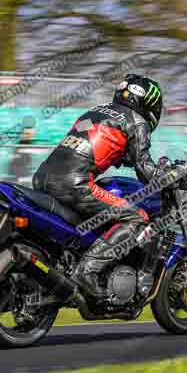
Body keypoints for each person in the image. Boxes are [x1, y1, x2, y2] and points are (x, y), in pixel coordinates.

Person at [33, 74, 164, 300]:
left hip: (42, 178)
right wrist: (167, 176)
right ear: (150, 104)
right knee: (137, 217)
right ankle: (88, 270)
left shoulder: (94, 112)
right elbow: (144, 169)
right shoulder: (136, 121)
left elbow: (92, 143)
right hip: (75, 185)